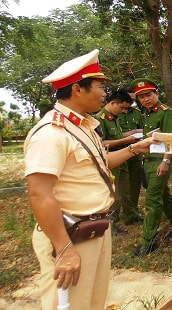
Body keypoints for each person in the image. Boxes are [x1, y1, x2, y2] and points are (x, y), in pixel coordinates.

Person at [24, 49, 156, 310]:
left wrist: (134, 149)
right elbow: (39, 194)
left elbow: (100, 162)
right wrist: (63, 250)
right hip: (71, 235)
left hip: (95, 229)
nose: (105, 94)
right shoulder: (52, 133)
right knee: (71, 305)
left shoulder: (84, 126)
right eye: (99, 86)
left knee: (92, 302)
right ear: (77, 89)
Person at [130, 78, 172, 257]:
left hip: (161, 161)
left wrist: (166, 162)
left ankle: (149, 242)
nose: (145, 99)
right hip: (148, 161)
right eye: (141, 97)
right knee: (162, 193)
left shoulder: (165, 112)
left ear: (156, 93)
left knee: (152, 200)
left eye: (148, 94)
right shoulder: (145, 114)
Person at [95, 90, 141, 234]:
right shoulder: (99, 119)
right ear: (113, 103)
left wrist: (134, 132)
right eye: (121, 108)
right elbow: (101, 143)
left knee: (125, 191)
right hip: (110, 162)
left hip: (122, 161)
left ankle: (130, 216)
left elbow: (118, 134)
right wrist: (124, 141)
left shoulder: (114, 118)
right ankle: (111, 223)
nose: (123, 111)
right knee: (113, 193)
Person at [117, 88, 144, 225]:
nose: (132, 102)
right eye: (130, 100)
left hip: (135, 154)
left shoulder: (138, 113)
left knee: (134, 184)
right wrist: (131, 133)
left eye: (134, 100)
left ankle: (132, 212)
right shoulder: (114, 113)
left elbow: (142, 131)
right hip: (118, 154)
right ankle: (115, 216)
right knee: (120, 186)